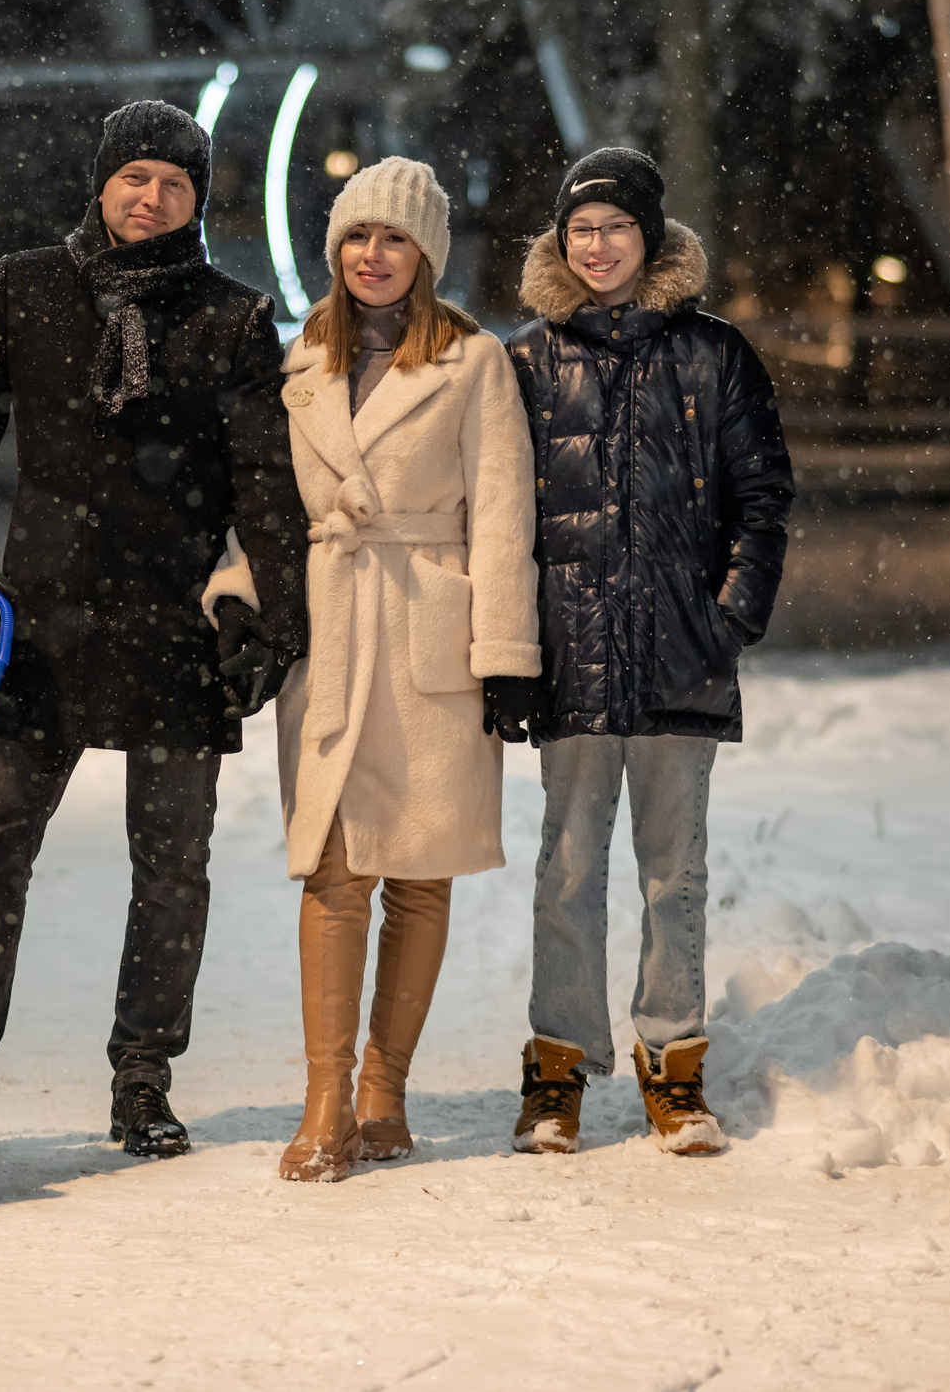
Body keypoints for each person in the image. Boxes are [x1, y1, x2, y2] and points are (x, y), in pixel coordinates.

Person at [0, 100, 308, 1157]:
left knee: (171, 865)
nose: (152, 197)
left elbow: (267, 485)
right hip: (41, 626)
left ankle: (143, 1073)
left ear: (197, 201)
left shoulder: (231, 317)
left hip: (176, 632)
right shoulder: (29, 287)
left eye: (175, 183)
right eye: (136, 176)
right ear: (101, 184)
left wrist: (272, 616)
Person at [206, 157, 540, 1182]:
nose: (372, 254)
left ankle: (383, 1092)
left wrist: (506, 655)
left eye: (393, 237)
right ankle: (324, 1099)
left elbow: (502, 514)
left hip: (430, 623)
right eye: (356, 236)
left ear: (425, 253)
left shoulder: (475, 360)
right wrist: (235, 595)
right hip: (332, 620)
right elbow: (263, 501)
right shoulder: (299, 356)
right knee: (334, 866)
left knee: (420, 871)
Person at [500, 148, 793, 1157]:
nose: (597, 245)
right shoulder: (526, 361)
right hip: (569, 653)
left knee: (675, 873)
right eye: (581, 228)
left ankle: (673, 1065)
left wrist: (728, 612)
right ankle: (556, 1072)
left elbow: (762, 495)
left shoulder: (713, 355)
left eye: (615, 227)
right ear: (560, 239)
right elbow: (499, 517)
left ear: (650, 237)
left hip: (681, 652)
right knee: (567, 868)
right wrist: (512, 643)